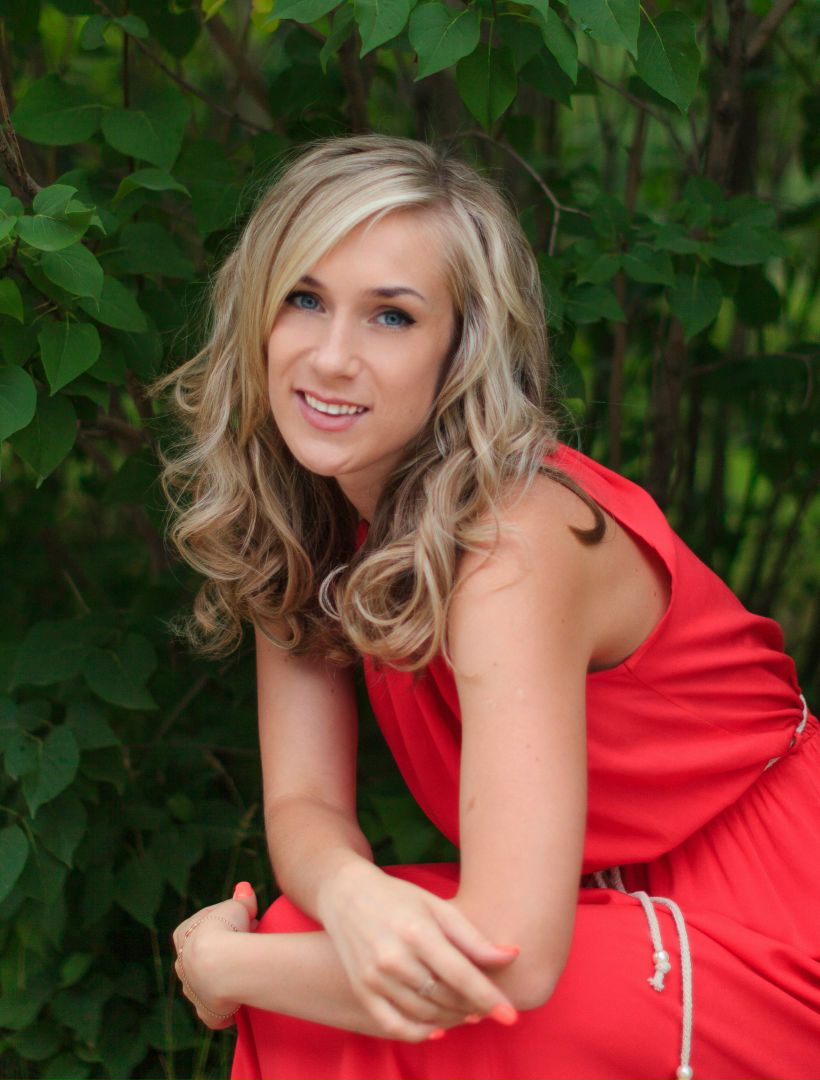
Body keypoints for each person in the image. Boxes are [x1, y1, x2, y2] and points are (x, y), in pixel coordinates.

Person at [161, 134, 819, 1080]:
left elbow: (515, 957)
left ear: (460, 351)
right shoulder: (309, 517)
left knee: (300, 982)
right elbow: (305, 803)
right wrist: (348, 894)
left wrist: (226, 965)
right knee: (309, 932)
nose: (332, 357)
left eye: (391, 316)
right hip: (601, 911)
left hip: (774, 918)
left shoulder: (511, 541)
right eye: (304, 299)